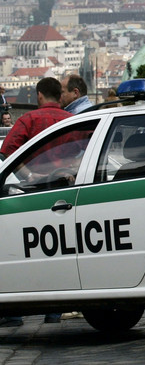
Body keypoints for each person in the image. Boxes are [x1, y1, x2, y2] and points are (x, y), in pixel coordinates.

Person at [0, 77, 72, 327]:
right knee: (60, 249)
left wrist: (28, 175)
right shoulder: (70, 121)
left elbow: (8, 151)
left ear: (39, 95)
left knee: (27, 250)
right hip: (65, 192)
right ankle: (54, 311)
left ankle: (15, 312)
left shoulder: (28, 120)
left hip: (32, 193)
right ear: (59, 96)